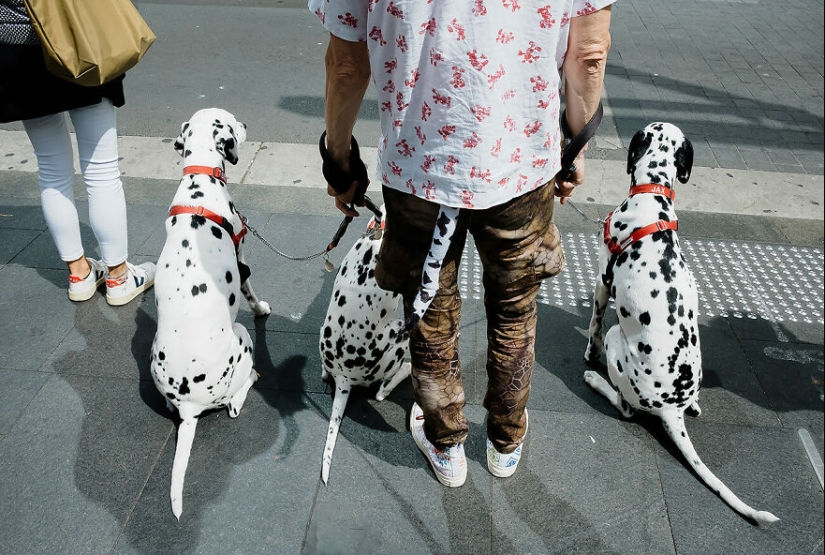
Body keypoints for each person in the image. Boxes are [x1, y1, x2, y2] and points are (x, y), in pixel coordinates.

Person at [311, 1, 614, 486]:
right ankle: (505, 442)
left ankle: (445, 443)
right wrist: (575, 142)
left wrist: (340, 162)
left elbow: (346, 65)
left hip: (418, 164)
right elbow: (590, 52)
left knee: (429, 309)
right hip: (521, 161)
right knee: (516, 309)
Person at [0, 0, 154, 306]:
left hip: (17, 48)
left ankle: (79, 272)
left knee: (51, 171)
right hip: (80, 35)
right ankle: (119, 277)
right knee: (102, 171)